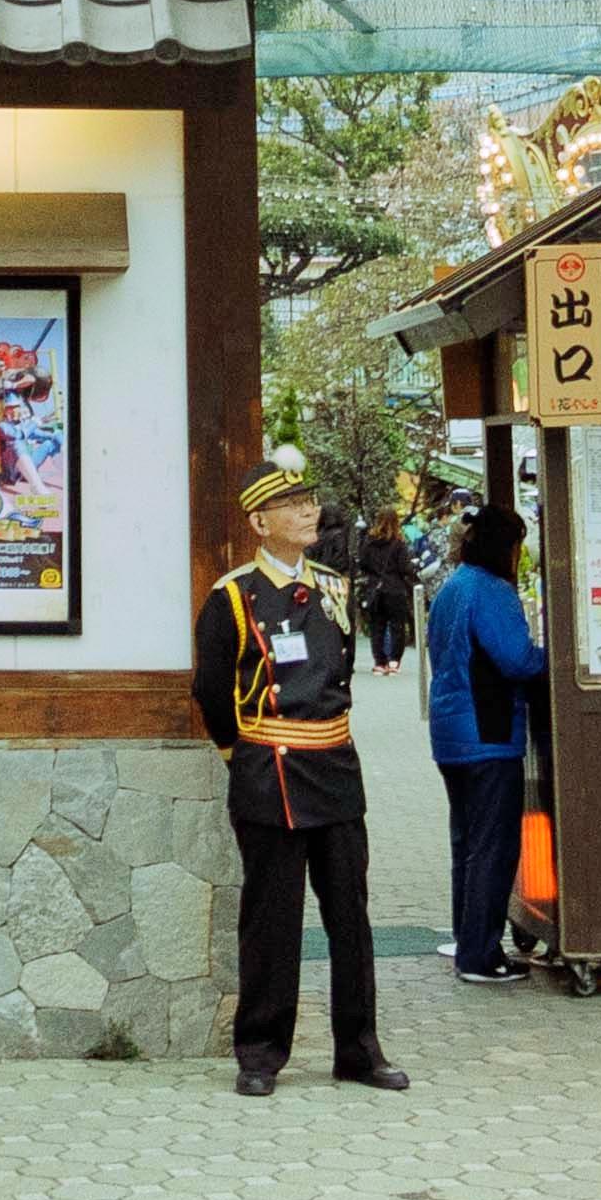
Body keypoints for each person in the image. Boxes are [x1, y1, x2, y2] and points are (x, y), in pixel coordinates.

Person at [192, 463, 406, 1097]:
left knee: (350, 914)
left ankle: (359, 1051)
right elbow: (211, 691)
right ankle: (259, 1052)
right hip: (270, 770)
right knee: (272, 918)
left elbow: (339, 670)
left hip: (335, 766)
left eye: (310, 500)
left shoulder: (337, 588)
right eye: (291, 504)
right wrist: (242, 754)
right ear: (260, 522)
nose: (309, 511)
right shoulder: (231, 595)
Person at [421, 501, 547, 982]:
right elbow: (516, 659)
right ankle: (480, 955)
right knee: (493, 847)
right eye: (518, 546)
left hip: (451, 733)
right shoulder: (491, 590)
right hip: (488, 734)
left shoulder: (454, 586)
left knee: (468, 844)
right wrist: (555, 659)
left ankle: (467, 938)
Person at [353, 497, 420, 671]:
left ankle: (379, 662)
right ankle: (394, 661)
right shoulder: (398, 543)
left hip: (375, 589)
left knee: (377, 627)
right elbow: (404, 567)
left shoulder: (369, 541)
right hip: (395, 588)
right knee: (397, 626)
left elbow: (363, 564)